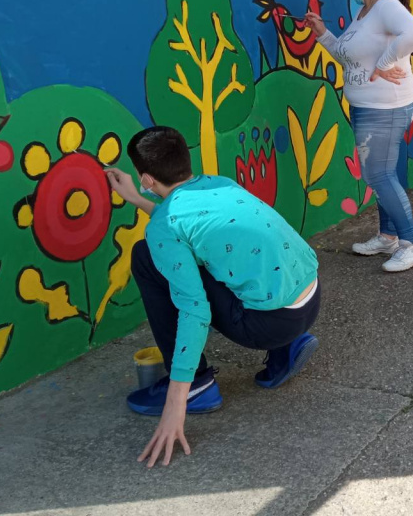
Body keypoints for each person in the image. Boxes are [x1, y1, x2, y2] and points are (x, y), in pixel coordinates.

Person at [105, 127, 320, 468]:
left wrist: (177, 399)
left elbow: (195, 309)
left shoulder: (164, 226)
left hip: (268, 325)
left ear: (146, 178)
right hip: (308, 301)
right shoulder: (219, 183)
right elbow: (183, 224)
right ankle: (286, 348)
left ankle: (198, 386)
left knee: (147, 256)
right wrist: (137, 199)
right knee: (222, 256)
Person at [304, 0, 413, 273]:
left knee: (378, 175)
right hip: (366, 106)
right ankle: (388, 236)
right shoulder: (365, 13)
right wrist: (322, 34)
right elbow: (348, 56)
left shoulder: (386, 5)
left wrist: (384, 63)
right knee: (383, 173)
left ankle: (412, 244)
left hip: (385, 108)